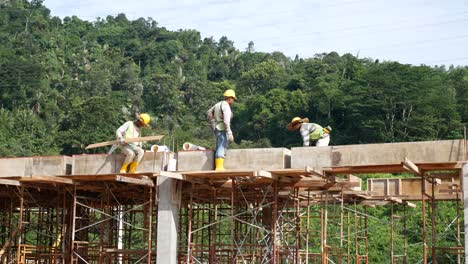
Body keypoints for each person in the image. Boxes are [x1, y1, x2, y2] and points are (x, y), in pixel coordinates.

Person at [207, 89, 236, 170]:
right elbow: (226, 121)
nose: (233, 101)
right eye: (233, 99)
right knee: (222, 145)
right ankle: (219, 167)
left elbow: (209, 112)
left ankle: (218, 165)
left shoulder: (218, 104)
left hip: (216, 127)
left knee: (219, 144)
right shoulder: (226, 106)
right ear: (230, 98)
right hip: (222, 128)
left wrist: (213, 122)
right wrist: (229, 132)